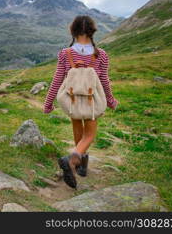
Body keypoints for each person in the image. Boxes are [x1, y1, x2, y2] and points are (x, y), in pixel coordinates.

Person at [43, 15, 119, 188]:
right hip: (92, 100)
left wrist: (48, 102)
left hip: (72, 99)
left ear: (73, 31)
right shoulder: (101, 55)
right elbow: (105, 81)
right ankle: (73, 159)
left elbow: (57, 79)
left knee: (78, 131)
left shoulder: (65, 53)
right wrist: (110, 100)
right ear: (92, 31)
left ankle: (81, 166)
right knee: (90, 135)